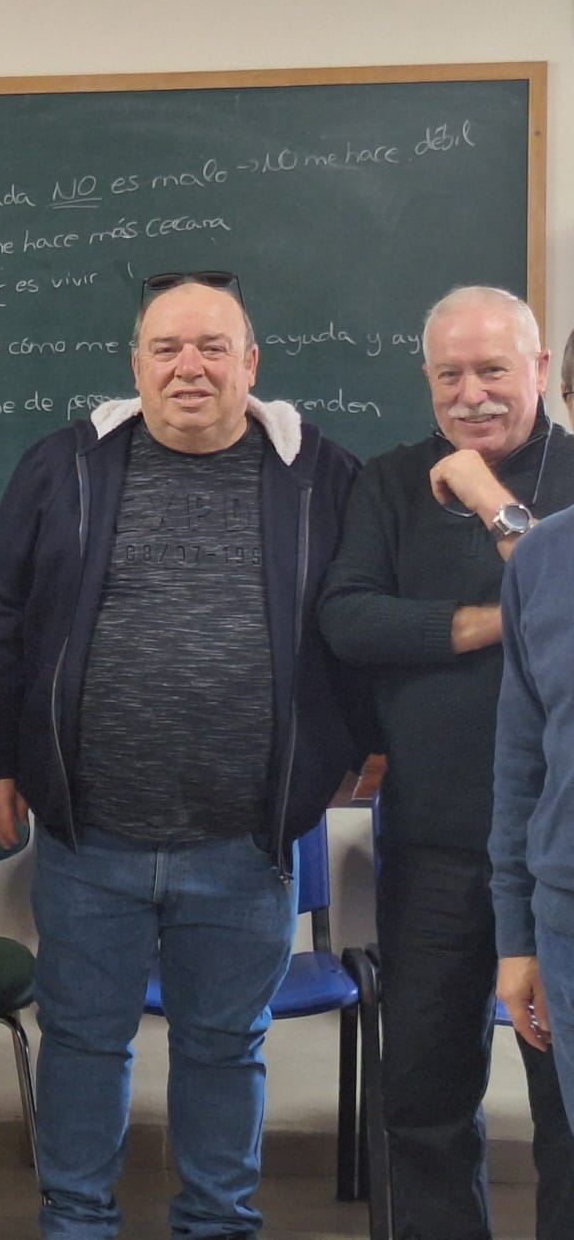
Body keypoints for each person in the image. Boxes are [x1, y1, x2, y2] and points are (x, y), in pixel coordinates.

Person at [0, 271, 368, 1239]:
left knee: (225, 1048)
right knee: (82, 1042)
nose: (190, 367)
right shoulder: (64, 464)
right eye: (167, 349)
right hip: (88, 834)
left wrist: (360, 743)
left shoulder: (322, 475)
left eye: (213, 348)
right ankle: (75, 1221)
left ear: (251, 364)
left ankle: (218, 1224)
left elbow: (362, 618)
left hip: (245, 842)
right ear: (136, 365)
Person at [316, 285, 574, 1238]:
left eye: (493, 370)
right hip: (434, 839)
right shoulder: (390, 481)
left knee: (567, 1108)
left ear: (539, 370)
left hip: (560, 859)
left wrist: (487, 504)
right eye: (449, 374)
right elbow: (350, 618)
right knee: (423, 1097)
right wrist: (493, 621)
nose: (472, 395)